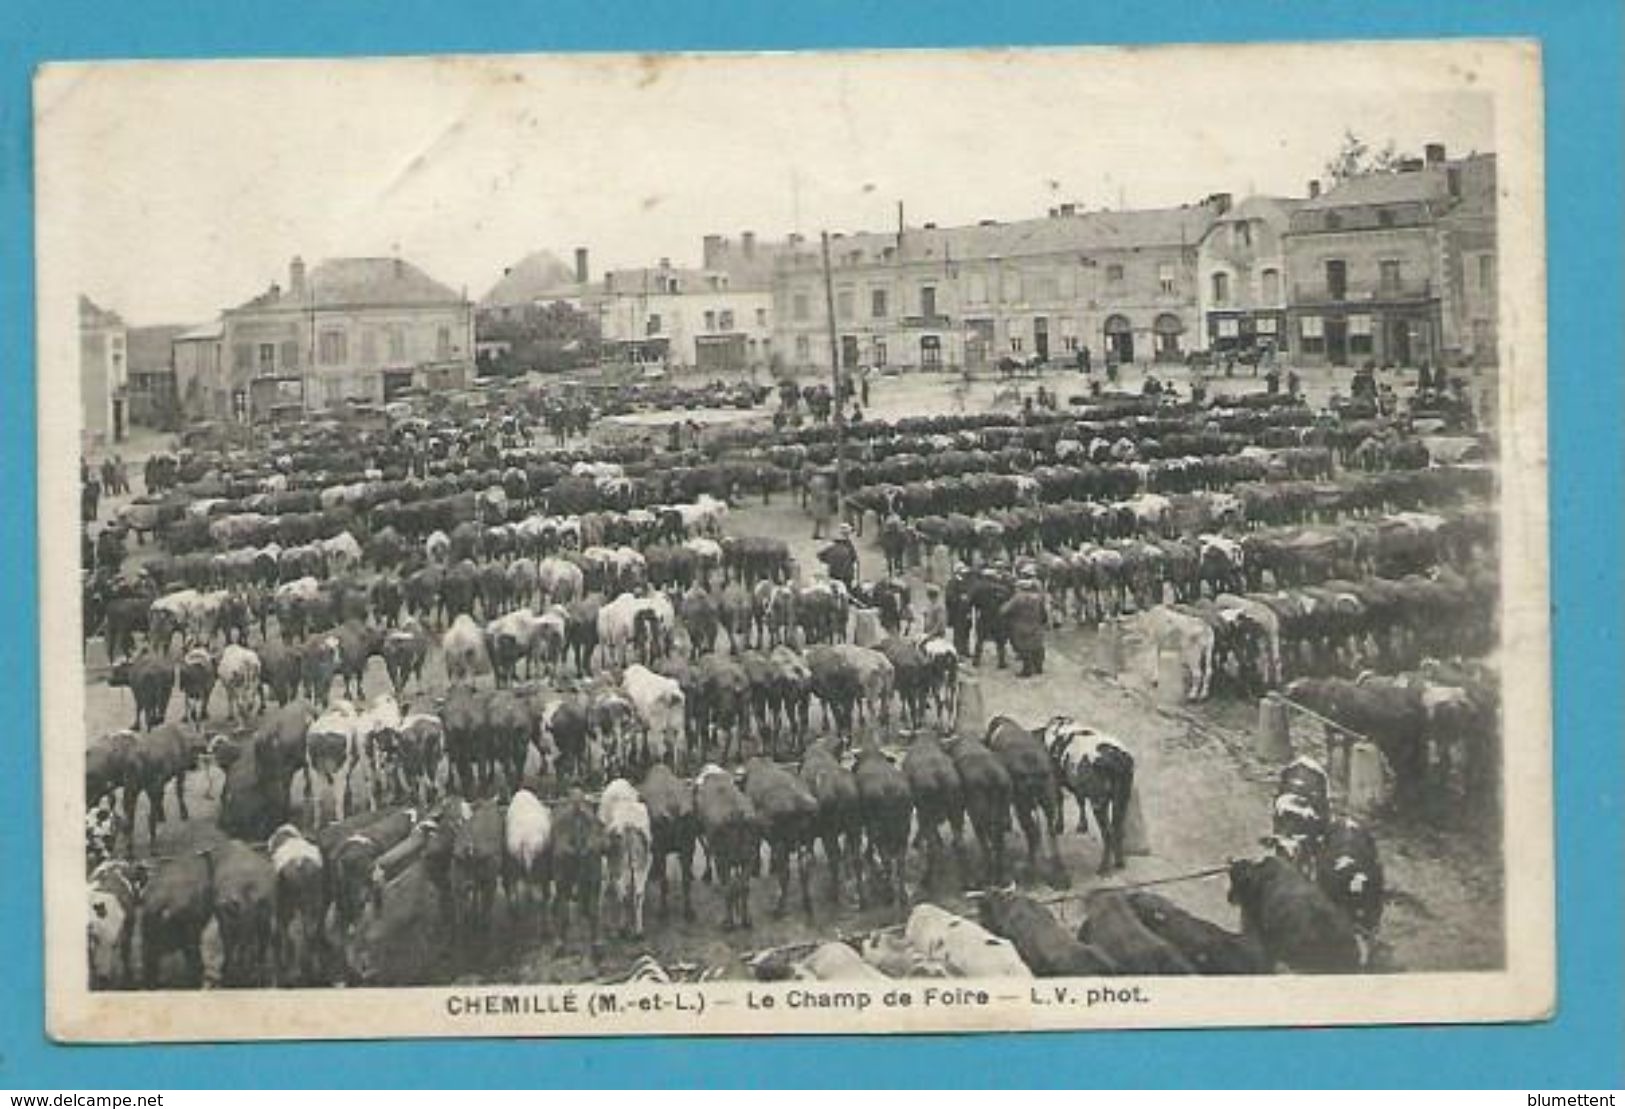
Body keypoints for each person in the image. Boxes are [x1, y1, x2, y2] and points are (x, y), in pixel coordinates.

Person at [1001, 576, 1049, 678]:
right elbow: (1044, 613)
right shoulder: (1038, 598)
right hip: (1036, 625)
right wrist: (1043, 622)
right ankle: (1038, 667)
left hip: (1020, 625)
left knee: (1023, 647)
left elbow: (1005, 610)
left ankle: (1027, 669)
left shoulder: (1018, 598)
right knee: (1037, 646)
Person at [817, 523, 860, 589]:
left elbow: (820, 555)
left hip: (834, 576)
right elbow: (855, 560)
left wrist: (829, 561)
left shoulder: (831, 548)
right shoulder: (849, 548)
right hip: (846, 577)